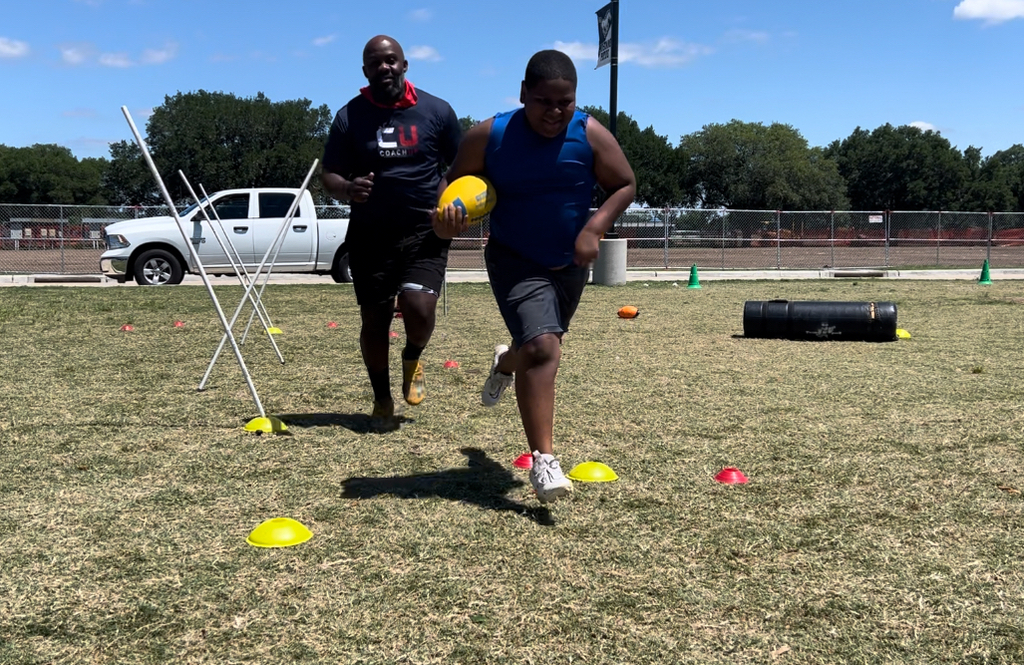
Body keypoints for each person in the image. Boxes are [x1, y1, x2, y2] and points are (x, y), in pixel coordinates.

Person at [433, 50, 636, 503]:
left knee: (534, 347)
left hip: (569, 265)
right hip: (515, 260)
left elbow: (625, 184)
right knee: (544, 347)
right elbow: (450, 187)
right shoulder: (490, 135)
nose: (555, 112)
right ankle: (544, 461)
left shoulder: (589, 134)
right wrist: (444, 218)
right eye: (544, 101)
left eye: (565, 102)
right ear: (524, 93)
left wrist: (594, 228)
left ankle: (505, 363)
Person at [322, 35, 462, 429]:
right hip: (370, 235)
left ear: (404, 64)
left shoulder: (437, 111)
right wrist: (347, 188)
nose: (383, 67)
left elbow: (463, 164)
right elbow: (329, 175)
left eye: (390, 60)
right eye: (375, 62)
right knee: (375, 320)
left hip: (425, 232)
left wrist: (451, 200)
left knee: (419, 308)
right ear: (365, 70)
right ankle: (382, 399)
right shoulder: (349, 116)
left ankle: (412, 356)